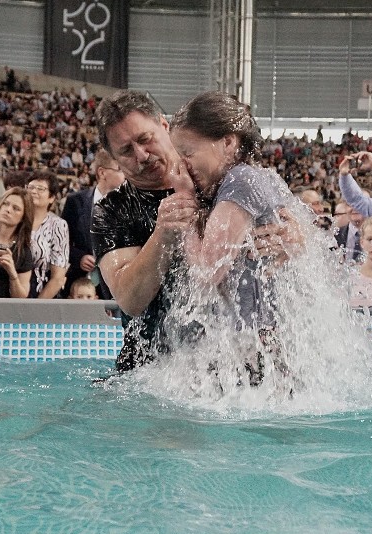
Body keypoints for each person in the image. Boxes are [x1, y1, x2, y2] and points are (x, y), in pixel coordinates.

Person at [91, 90, 297, 372]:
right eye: (126, 151)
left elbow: (286, 217)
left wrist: (294, 238)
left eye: (144, 139)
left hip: (232, 356)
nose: (141, 155)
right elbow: (129, 300)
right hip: (152, 365)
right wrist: (165, 233)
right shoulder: (111, 211)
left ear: (164, 126)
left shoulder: (216, 175)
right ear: (113, 158)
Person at [169, 91, 298, 384]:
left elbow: (205, 274)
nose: (181, 167)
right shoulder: (251, 178)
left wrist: (185, 199)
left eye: (188, 153)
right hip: (266, 346)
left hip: (258, 350)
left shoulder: (241, 182)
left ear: (228, 142)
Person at [61, 148, 125, 299]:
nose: (126, 174)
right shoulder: (75, 201)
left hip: (117, 288)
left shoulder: (131, 204)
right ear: (102, 173)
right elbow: (63, 243)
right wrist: (80, 257)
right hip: (80, 287)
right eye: (120, 169)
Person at [26, 170, 69, 299]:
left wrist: (38, 307)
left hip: (40, 294)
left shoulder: (58, 225)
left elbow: (58, 277)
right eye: (31, 187)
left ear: (51, 197)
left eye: (40, 189)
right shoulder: (16, 219)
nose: (34, 191)